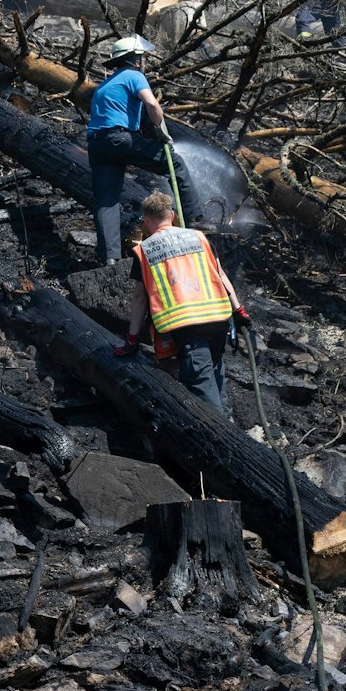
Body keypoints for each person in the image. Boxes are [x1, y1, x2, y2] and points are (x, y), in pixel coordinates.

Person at [116, 192, 249, 419]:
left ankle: (222, 438)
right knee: (216, 373)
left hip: (188, 326)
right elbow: (221, 275)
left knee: (203, 394)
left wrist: (131, 339)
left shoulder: (145, 250)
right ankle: (231, 427)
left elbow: (139, 299)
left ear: (146, 220)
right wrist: (238, 310)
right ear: (173, 216)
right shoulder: (198, 237)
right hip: (218, 319)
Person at [86, 35, 197, 265]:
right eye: (142, 58)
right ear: (136, 60)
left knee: (107, 200)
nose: (143, 63)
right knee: (175, 163)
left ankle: (110, 259)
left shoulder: (104, 87)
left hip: (97, 144)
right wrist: (160, 130)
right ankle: (195, 219)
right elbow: (152, 104)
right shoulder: (134, 75)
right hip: (119, 138)